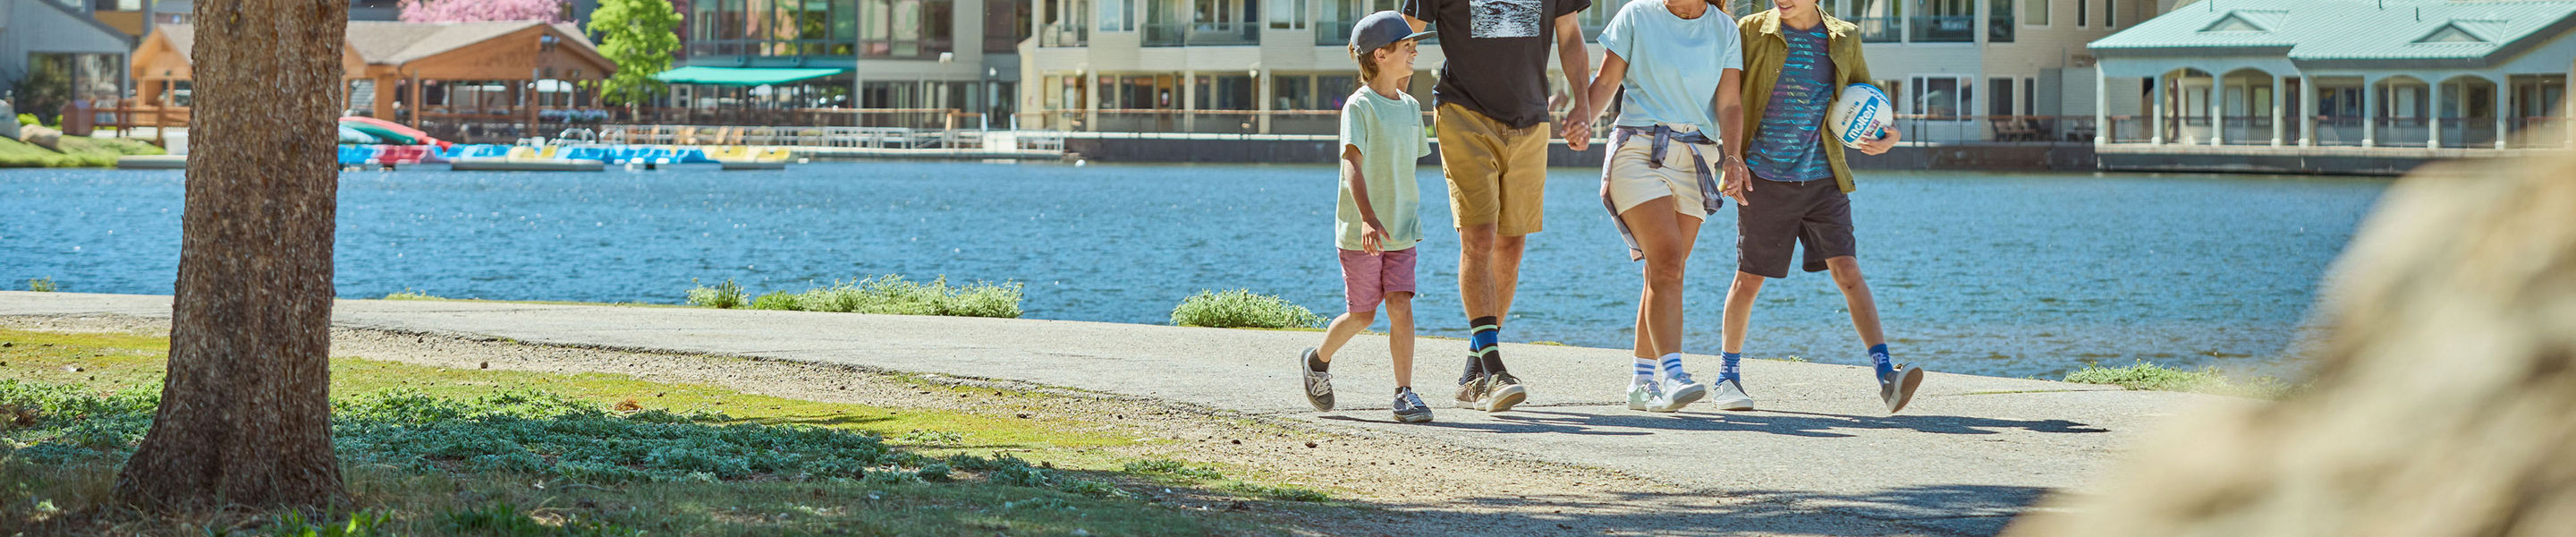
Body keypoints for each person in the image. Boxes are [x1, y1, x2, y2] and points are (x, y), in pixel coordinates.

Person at [1723, 0, 1925, 413]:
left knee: (1848, 272)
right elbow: (1728, 97)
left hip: (1824, 178)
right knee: (1749, 279)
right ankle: (1727, 378)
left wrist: (1888, 135)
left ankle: (1886, 375)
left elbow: (1867, 99)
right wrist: (1730, 159)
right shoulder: (1751, 31)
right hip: (1764, 177)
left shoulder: (1845, 38)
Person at [1401, 0, 1597, 413]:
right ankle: (1494, 368)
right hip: (1463, 112)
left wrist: (1583, 103)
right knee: (1479, 237)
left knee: (1511, 244)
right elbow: (1405, 32)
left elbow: (1571, 35)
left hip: (1530, 118)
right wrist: (1388, 110)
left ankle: (1474, 369)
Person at [1565, 0, 1745, 413]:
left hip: (1697, 157)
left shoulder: (1723, 29)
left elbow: (1730, 103)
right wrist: (1583, 119)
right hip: (1639, 150)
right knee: (1666, 261)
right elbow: (1607, 81)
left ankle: (1640, 382)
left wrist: (1732, 156)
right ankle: (1673, 376)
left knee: (1664, 272)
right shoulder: (1636, 15)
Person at [1301, 12, 1439, 423]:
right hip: (1361, 231)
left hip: (1402, 228)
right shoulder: (1358, 107)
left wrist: (1402, 215)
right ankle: (1317, 361)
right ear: (1381, 54)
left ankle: (1404, 393)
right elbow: (1352, 167)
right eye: (1407, 45)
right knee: (1363, 314)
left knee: (1401, 304)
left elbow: (1404, 164)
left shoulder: (1412, 107)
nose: (1415, 49)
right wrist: (1366, 218)